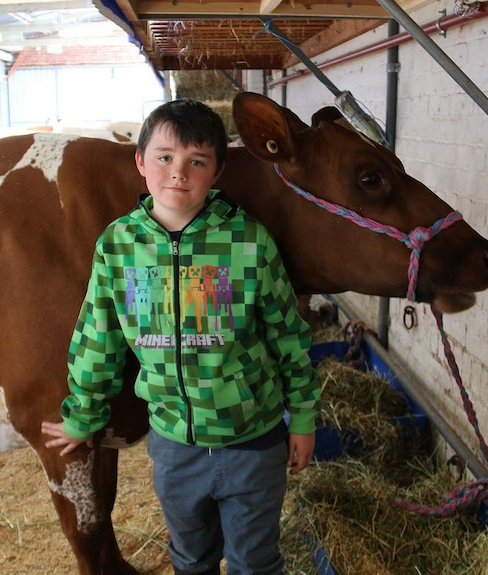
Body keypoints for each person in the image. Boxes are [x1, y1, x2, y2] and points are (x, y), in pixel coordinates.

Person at [41, 99, 321, 575]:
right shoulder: (118, 244)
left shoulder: (248, 242)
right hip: (174, 444)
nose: (178, 173)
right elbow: (97, 333)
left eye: (197, 161)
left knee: (256, 561)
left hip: (253, 440)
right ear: (140, 162)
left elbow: (288, 335)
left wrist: (304, 418)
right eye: (164, 157)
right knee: (191, 559)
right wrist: (83, 414)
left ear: (217, 171)